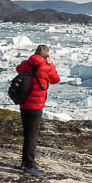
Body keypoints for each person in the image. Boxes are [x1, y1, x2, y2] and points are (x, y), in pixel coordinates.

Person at [15, 44, 60, 174]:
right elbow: (55, 80)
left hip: (24, 104)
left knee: (27, 133)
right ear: (47, 55)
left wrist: (28, 62)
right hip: (36, 106)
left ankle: (25, 161)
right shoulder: (46, 67)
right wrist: (50, 64)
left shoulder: (27, 64)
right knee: (32, 135)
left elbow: (18, 69)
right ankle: (29, 164)